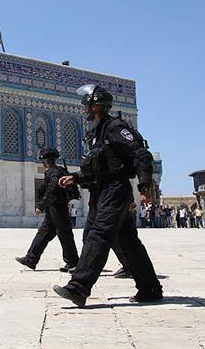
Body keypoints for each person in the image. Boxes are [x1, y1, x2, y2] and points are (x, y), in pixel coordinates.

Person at [52, 84, 162, 307]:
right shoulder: (99, 132)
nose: (84, 110)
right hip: (101, 190)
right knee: (129, 242)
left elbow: (141, 154)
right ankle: (150, 288)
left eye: (86, 106)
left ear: (97, 106)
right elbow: (98, 167)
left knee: (98, 235)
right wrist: (76, 178)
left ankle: (78, 287)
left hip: (115, 189)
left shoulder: (115, 127)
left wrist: (144, 186)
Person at [16, 147, 79, 272]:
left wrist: (41, 206)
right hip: (54, 208)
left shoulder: (53, 172)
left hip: (57, 207)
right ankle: (31, 259)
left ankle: (73, 262)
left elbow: (51, 192)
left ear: (45, 161)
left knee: (64, 233)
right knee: (44, 233)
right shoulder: (59, 170)